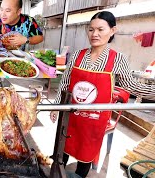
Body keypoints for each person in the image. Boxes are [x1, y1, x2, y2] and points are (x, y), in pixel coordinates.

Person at [50, 11, 155, 178]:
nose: (95, 34)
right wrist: (57, 106)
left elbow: (131, 86)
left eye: (100, 29)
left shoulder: (117, 59)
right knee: (61, 150)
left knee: (85, 156)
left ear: (112, 31)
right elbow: (65, 83)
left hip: (94, 119)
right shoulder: (78, 55)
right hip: (71, 115)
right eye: (91, 30)